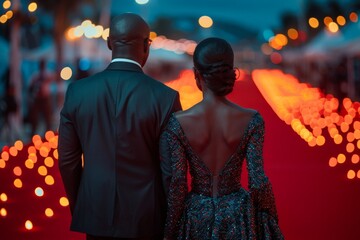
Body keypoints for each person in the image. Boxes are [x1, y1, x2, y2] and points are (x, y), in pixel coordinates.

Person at [58, 13, 182, 240]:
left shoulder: (77, 92)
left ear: (109, 42)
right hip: (146, 215)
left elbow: (67, 161)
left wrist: (81, 207)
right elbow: (171, 170)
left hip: (95, 210)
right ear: (146, 45)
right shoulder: (165, 98)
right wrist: (169, 218)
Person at [160, 38, 284, 239]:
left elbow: (177, 184)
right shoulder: (252, 120)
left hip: (196, 215)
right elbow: (258, 181)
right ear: (231, 73)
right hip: (238, 214)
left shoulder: (178, 123)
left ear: (196, 74)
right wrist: (269, 219)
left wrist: (170, 231)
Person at [27, 58, 54, 136]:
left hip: (45, 98)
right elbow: (30, 86)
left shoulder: (48, 73)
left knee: (48, 117)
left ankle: (48, 135)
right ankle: (33, 134)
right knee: (35, 118)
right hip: (37, 99)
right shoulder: (36, 75)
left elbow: (54, 79)